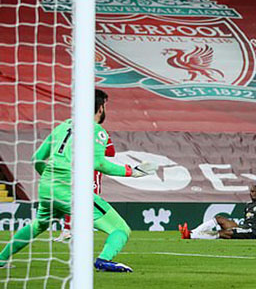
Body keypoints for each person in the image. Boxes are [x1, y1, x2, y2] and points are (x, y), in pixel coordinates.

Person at [0, 89, 157, 272]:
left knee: (38, 225)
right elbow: (99, 163)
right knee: (120, 229)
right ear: (100, 108)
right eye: (104, 106)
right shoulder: (96, 130)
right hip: (71, 189)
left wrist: (51, 179)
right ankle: (103, 261)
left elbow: (36, 159)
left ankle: (1, 258)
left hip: (47, 187)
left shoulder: (61, 127)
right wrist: (133, 171)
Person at [55, 134, 115, 242]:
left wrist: (93, 150)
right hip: (76, 168)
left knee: (91, 199)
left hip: (93, 168)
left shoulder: (102, 134)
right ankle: (67, 230)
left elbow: (111, 152)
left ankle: (87, 229)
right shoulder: (78, 131)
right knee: (71, 198)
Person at [178, 185, 256, 240]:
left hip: (251, 232)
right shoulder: (248, 205)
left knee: (224, 233)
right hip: (243, 227)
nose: (254, 194)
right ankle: (192, 231)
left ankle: (190, 236)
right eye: (252, 192)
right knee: (219, 218)